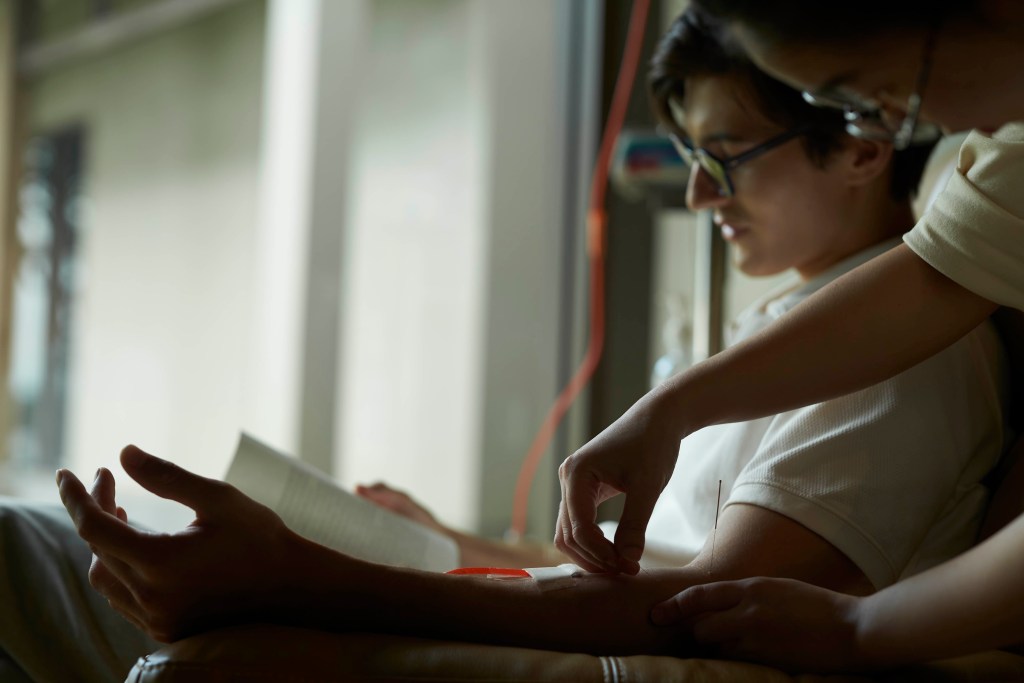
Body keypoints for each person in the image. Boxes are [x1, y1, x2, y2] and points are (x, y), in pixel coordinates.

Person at [41, 9, 1012, 675]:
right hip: (580, 610)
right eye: (689, 161)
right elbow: (649, 562)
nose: (696, 197)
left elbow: (710, 601)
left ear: (863, 143)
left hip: (627, 644)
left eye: (725, 159)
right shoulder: (790, 335)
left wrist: (316, 577)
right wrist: (438, 542)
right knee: (36, 546)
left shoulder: (901, 357)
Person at [622, 0, 1024, 673]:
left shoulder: (926, 365)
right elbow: (932, 280)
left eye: (888, 90)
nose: (916, 127)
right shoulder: (1009, 159)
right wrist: (671, 406)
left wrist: (864, 628)